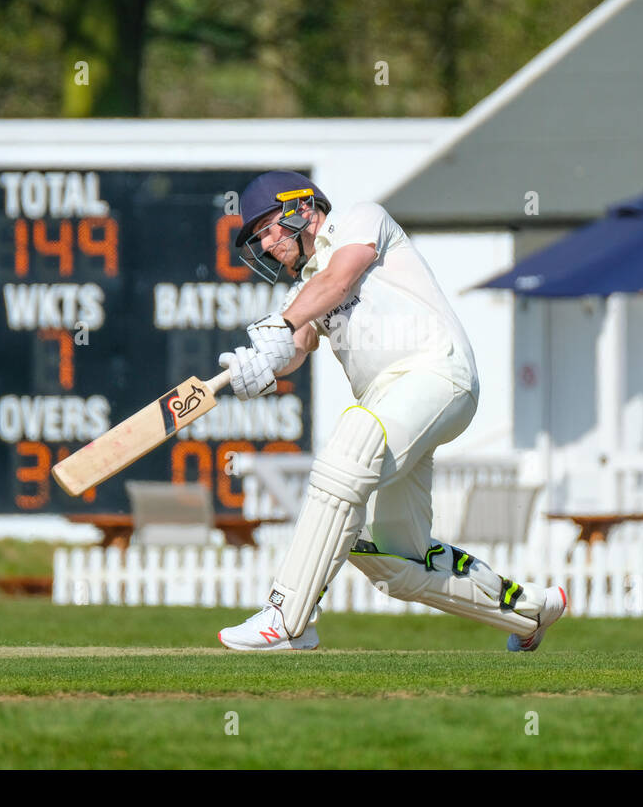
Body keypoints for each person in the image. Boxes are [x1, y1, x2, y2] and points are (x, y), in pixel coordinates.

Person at [215, 170, 566, 651]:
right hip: (392, 405)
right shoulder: (303, 293)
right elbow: (296, 344)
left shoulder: (361, 220)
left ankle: (288, 617)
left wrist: (282, 323)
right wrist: (260, 366)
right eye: (258, 238)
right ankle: (530, 614)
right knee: (396, 561)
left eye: (269, 227)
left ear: (301, 207)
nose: (268, 243)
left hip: (437, 373)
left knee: (350, 448)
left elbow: (339, 280)